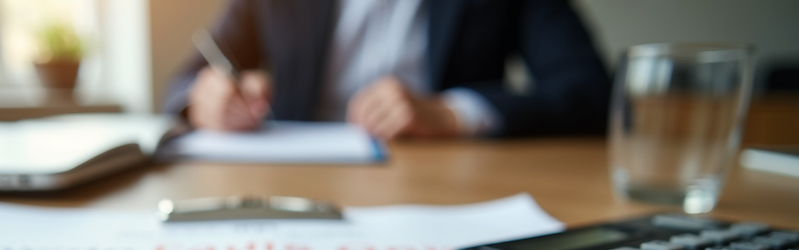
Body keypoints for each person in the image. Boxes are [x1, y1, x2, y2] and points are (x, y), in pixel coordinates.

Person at [165, 0, 611, 139]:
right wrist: (205, 100)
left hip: (445, 184)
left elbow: (590, 90)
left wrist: (453, 113)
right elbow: (186, 80)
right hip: (295, 183)